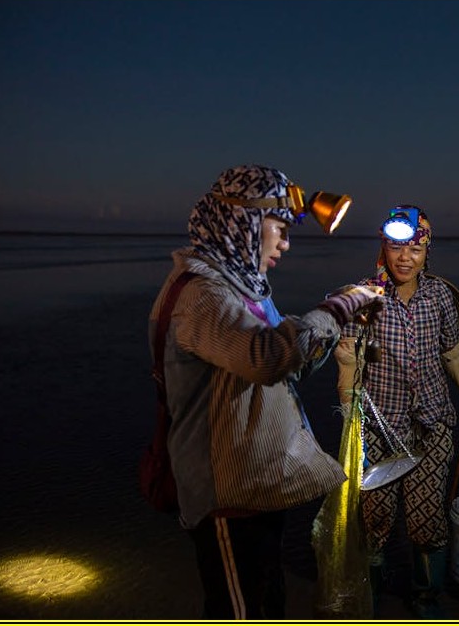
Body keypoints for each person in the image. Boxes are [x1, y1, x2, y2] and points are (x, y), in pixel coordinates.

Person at [149, 164, 384, 619]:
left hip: (258, 484)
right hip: (227, 498)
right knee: (241, 610)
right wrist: (339, 306)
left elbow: (286, 368)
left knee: (267, 601)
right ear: (244, 223)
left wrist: (338, 325)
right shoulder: (202, 296)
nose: (286, 243)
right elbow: (268, 356)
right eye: (279, 229)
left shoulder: (245, 290)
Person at [333, 204, 459, 619]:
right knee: (375, 520)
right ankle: (371, 598)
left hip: (432, 425)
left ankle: (425, 600)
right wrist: (350, 415)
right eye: (396, 248)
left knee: (426, 523)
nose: (405, 258)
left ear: (427, 252)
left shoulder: (439, 296)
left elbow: (454, 355)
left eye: (415, 250)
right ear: (383, 248)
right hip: (378, 428)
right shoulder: (364, 296)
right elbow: (348, 361)